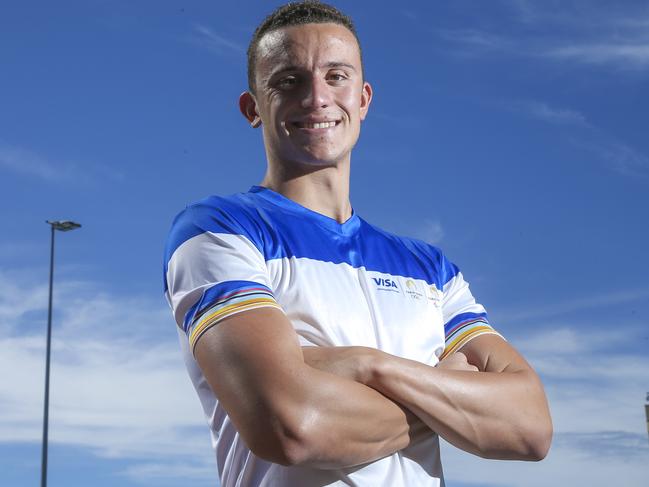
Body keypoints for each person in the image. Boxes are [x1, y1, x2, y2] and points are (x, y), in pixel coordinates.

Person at [163, 2, 552, 486]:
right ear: (253, 108)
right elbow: (291, 427)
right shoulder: (221, 230)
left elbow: (530, 427)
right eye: (288, 81)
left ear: (363, 99)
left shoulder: (430, 268)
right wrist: (449, 396)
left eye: (336, 76)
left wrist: (368, 367)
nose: (317, 98)